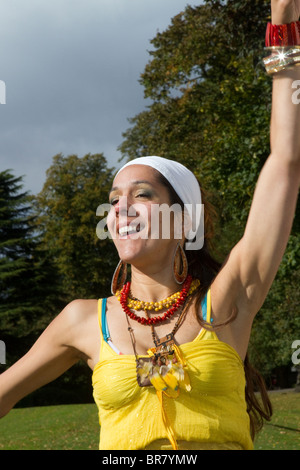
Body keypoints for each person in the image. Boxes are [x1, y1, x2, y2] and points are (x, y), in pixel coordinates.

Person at [0, 0, 300, 450]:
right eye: (114, 200)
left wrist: (284, 34)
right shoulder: (83, 320)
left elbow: (286, 162)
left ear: (184, 221)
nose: (120, 209)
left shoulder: (230, 300)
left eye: (142, 195)